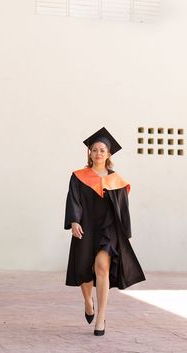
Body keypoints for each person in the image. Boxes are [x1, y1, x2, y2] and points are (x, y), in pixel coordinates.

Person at [64, 127, 146, 336]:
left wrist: (124, 235)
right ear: (89, 153)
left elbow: (123, 209)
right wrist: (74, 221)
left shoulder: (116, 180)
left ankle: (100, 317)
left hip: (108, 231)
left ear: (108, 154)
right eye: (95, 150)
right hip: (86, 227)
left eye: (102, 150)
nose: (98, 153)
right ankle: (87, 302)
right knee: (83, 272)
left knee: (102, 268)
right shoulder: (78, 177)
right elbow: (73, 200)